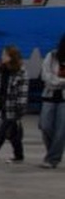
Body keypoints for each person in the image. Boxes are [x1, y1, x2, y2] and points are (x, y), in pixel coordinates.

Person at [0, 45, 27, 164]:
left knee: (2, 132)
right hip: (1, 105)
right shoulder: (1, 70)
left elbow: (22, 92)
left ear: (12, 57)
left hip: (13, 107)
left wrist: (20, 109)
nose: (2, 57)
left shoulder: (21, 72)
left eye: (4, 55)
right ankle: (19, 155)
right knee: (13, 133)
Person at [40, 34, 65, 169]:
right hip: (49, 95)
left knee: (61, 130)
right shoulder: (52, 56)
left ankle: (52, 158)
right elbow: (46, 75)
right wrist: (60, 81)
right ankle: (52, 151)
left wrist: (56, 81)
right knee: (45, 126)